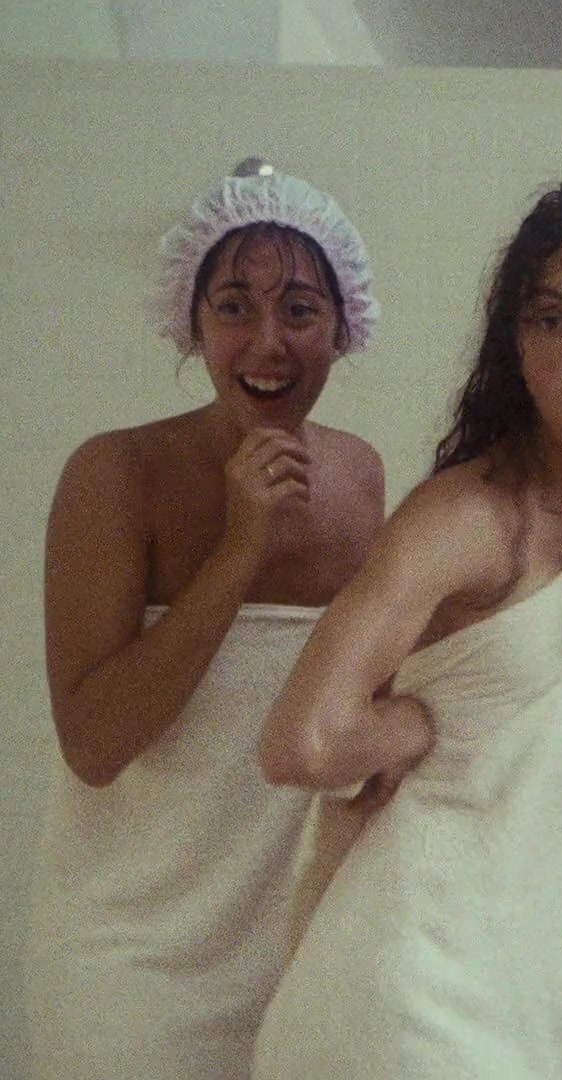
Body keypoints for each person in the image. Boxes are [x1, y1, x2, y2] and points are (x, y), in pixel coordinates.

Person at [251, 185, 562, 1078]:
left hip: (542, 990)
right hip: (413, 987)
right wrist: (410, 727)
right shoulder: (470, 514)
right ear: (517, 351)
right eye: (549, 321)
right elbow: (298, 742)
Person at [23, 170, 386, 1080]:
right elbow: (94, 744)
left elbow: (347, 723)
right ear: (191, 322)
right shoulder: (115, 474)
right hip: (127, 971)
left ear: (343, 326)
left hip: (293, 962)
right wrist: (237, 550)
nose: (268, 342)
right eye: (233, 307)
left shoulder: (360, 480)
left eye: (300, 309)